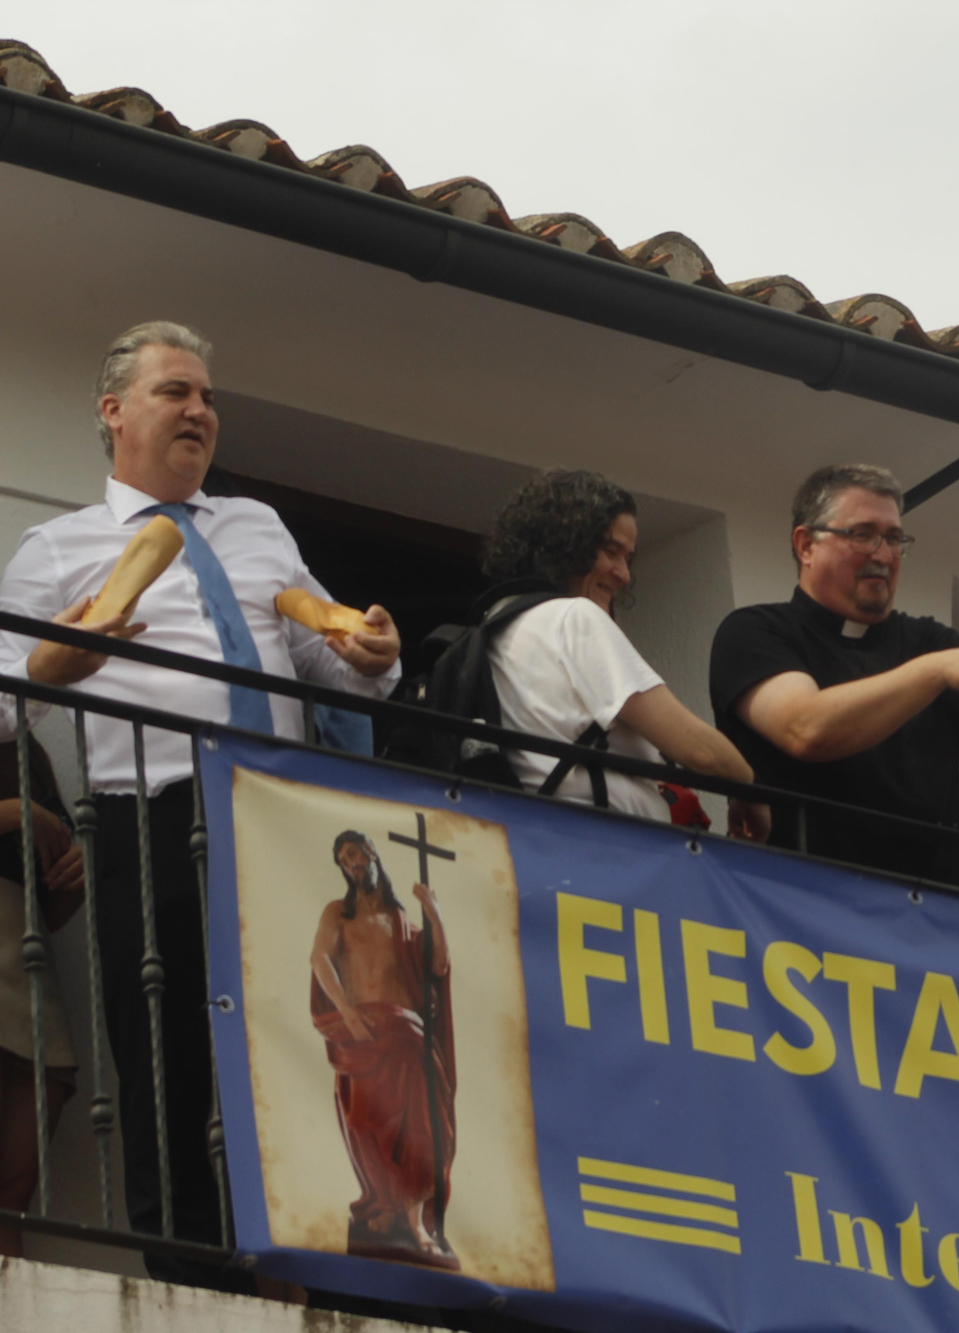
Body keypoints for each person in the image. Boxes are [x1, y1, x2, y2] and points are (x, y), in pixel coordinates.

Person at [0, 322, 404, 1283]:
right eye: (176, 391)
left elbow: (320, 659)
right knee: (168, 1044)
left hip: (281, 811)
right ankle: (189, 1261)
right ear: (114, 412)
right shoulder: (57, 548)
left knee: (309, 1035)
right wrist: (58, 662)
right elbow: (4, 699)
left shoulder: (257, 527)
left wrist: (371, 654)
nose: (200, 411)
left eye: (209, 398)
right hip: (151, 815)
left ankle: (312, 1250)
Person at [708, 464, 959, 884]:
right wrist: (937, 671)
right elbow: (805, 728)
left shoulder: (926, 639)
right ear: (806, 545)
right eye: (862, 534)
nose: (883, 554)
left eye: (893, 538)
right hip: (794, 903)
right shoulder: (756, 631)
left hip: (923, 919)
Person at [479, 470, 766, 836]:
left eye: (629, 558)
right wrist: (751, 790)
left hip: (535, 840)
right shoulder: (574, 616)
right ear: (564, 545)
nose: (624, 574)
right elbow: (699, 751)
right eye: (611, 552)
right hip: (603, 850)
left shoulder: (499, 626)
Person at [309, 832, 456, 1269]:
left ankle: (414, 1225)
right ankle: (386, 1208)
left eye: (354, 852)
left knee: (422, 1128)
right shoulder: (338, 913)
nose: (349, 862)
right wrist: (349, 1015)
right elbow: (319, 959)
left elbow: (437, 967)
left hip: (407, 1036)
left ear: (371, 853)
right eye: (342, 858)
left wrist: (435, 916)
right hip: (362, 1037)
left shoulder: (398, 916)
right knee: (364, 1124)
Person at [0, 737, 84, 1258]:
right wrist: (14, 812)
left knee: (14, 1188)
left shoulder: (24, 747)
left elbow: (53, 911)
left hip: (27, 956)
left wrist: (74, 879)